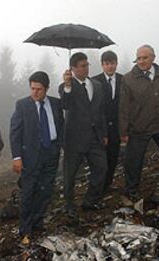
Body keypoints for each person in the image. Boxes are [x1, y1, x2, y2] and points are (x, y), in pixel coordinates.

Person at [119, 45, 159, 200]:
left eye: (144, 58)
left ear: (153, 57)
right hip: (139, 127)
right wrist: (123, 131)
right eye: (138, 58)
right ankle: (132, 188)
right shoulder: (128, 79)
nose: (141, 61)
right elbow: (123, 107)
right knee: (133, 161)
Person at [10, 71, 64, 245]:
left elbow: (60, 125)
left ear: (46, 88)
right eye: (32, 88)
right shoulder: (23, 105)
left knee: (46, 190)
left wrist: (59, 146)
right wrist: (16, 157)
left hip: (51, 152)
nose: (35, 92)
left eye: (39, 89)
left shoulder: (55, 103)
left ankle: (38, 222)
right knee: (28, 192)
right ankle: (25, 229)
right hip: (30, 155)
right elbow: (15, 132)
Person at [59, 52, 108, 219]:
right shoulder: (66, 86)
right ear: (73, 68)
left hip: (95, 137)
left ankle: (90, 200)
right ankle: (69, 205)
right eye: (82, 66)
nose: (86, 68)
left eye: (87, 65)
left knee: (101, 168)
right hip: (74, 139)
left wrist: (104, 133)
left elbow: (100, 111)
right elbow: (65, 104)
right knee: (70, 175)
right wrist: (67, 85)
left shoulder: (97, 85)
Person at [92, 51, 123, 193]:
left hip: (117, 127)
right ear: (102, 65)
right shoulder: (94, 81)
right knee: (99, 160)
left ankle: (108, 183)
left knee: (113, 156)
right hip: (100, 128)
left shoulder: (124, 80)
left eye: (112, 63)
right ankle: (98, 186)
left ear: (116, 63)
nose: (110, 67)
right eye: (107, 64)